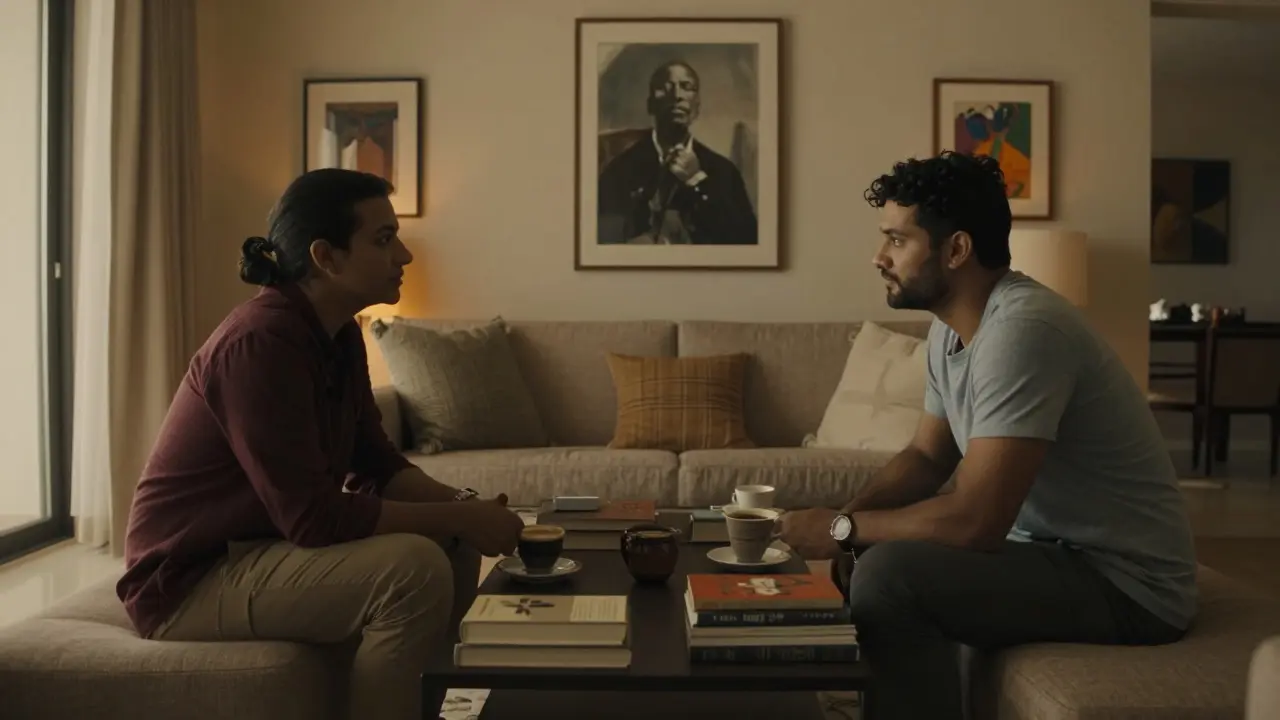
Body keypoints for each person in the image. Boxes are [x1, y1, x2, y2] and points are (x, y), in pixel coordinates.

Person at [778, 151, 1197, 720]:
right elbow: (926, 456)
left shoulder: (1024, 330)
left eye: (897, 240)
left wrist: (841, 530)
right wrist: (849, 523)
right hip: (1054, 554)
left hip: (1126, 582)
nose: (878, 257)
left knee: (889, 576)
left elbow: (976, 521)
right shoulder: (949, 333)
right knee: (871, 555)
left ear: (956, 250)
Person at [116, 168, 526, 720]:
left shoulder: (339, 333)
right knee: (415, 570)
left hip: (261, 547)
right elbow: (312, 518)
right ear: (326, 257)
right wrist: (457, 516)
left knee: (454, 543)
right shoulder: (260, 342)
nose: (404, 255)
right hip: (189, 579)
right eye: (384, 239)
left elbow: (376, 464)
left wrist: (465, 509)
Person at [596, 60, 757, 245]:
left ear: (697, 106)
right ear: (650, 105)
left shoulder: (724, 171)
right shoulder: (619, 170)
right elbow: (602, 241)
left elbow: (746, 240)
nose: (677, 95)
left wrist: (696, 181)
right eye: (665, 87)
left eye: (686, 87)